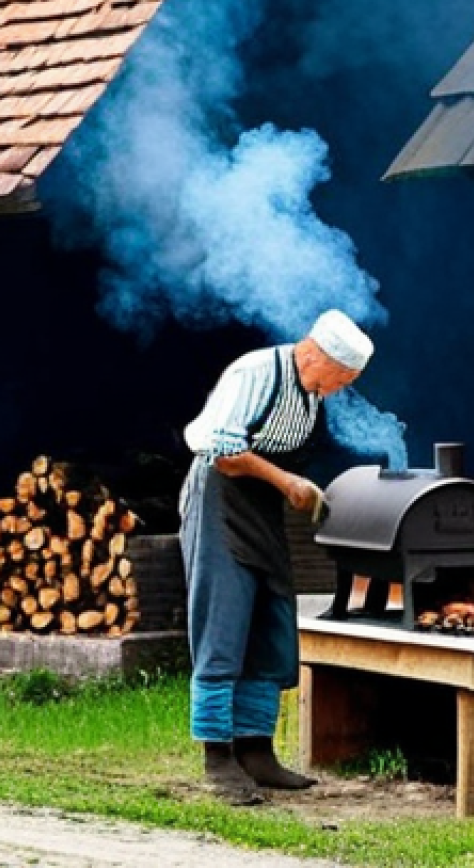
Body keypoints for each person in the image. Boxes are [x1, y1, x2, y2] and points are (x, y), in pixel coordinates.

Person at [179, 309, 373, 804]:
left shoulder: (311, 396)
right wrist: (286, 481)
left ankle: (257, 752)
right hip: (219, 502)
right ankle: (218, 759)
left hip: (261, 513)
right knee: (223, 626)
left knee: (271, 622)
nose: (339, 389)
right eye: (340, 378)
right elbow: (222, 451)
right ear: (315, 355)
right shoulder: (254, 374)